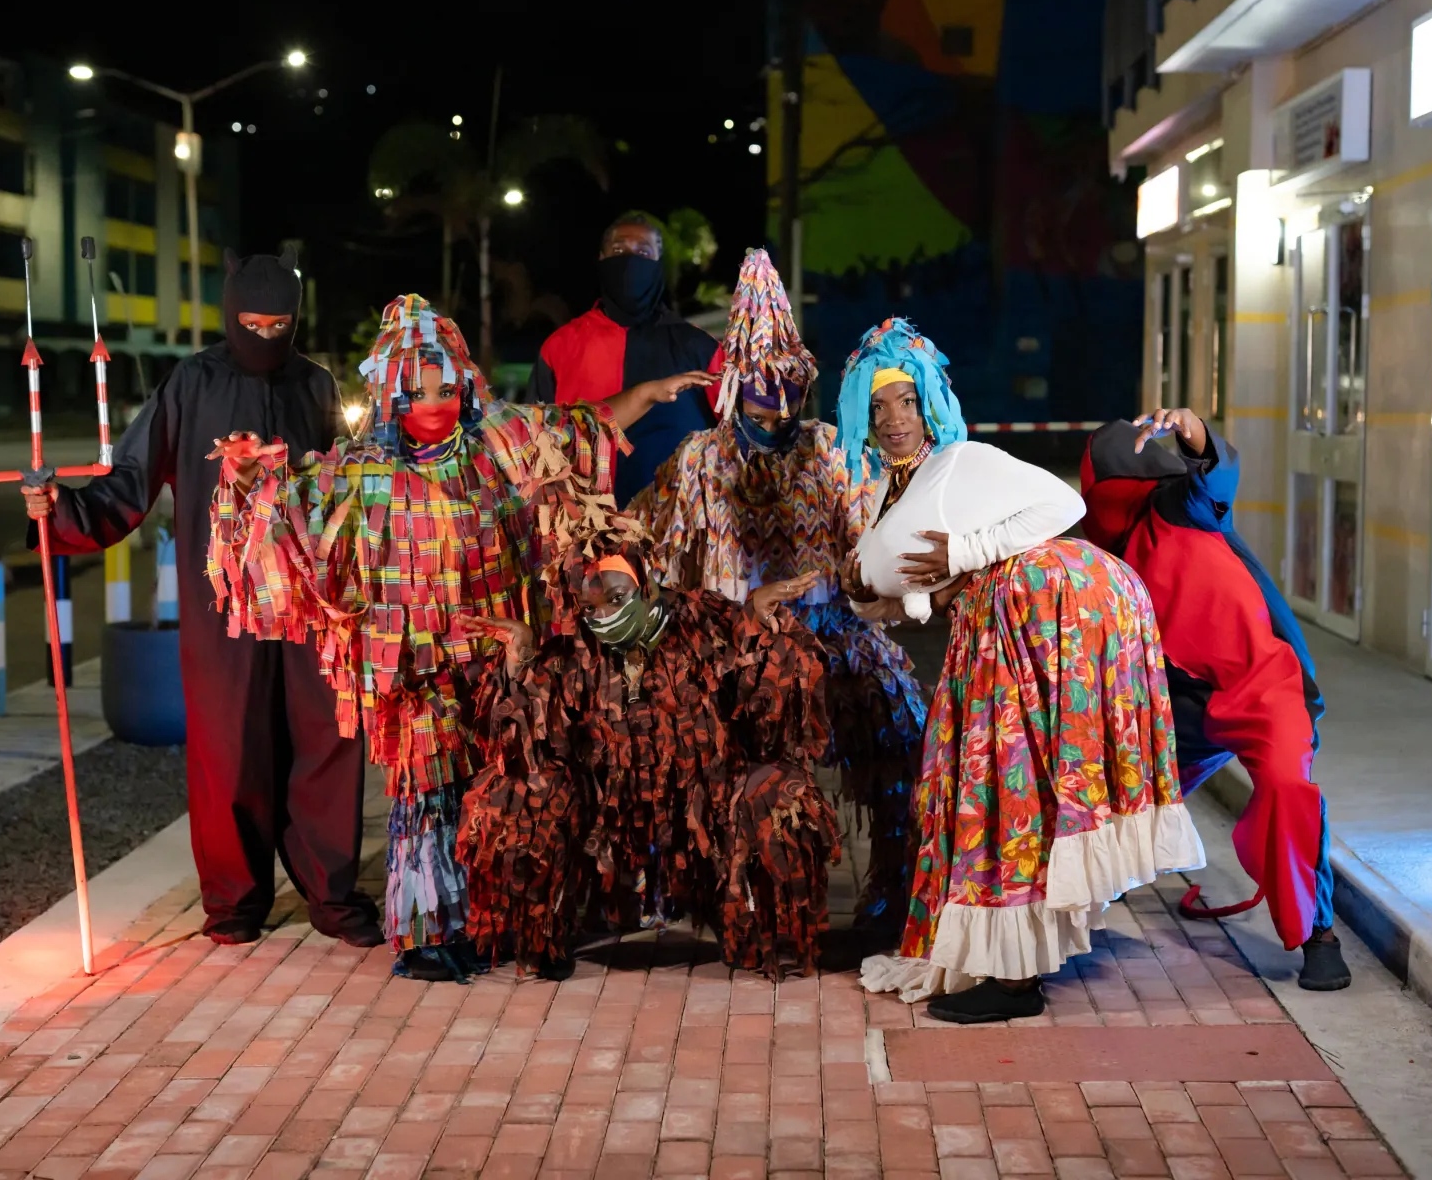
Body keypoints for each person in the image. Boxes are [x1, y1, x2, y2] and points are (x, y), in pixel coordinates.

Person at [206, 293, 707, 982]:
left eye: (446, 388)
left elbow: (575, 429)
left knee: (496, 791)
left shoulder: (498, 446)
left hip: (500, 659)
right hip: (416, 671)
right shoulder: (361, 470)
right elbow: (289, 509)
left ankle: (497, 919)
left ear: (467, 384)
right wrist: (246, 478)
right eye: (417, 392)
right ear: (389, 396)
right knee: (425, 799)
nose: (435, 404)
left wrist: (647, 394)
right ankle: (426, 930)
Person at [845, 318, 1206, 1024]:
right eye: (880, 405)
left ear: (933, 406)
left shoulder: (962, 461)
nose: (894, 420)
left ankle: (1013, 982)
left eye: (908, 402)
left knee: (1012, 782)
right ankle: (1007, 961)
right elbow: (915, 589)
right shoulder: (894, 490)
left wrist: (962, 555)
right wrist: (924, 590)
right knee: (999, 783)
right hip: (1006, 622)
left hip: (1052, 608)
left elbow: (1062, 505)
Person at [22, 247, 383, 949]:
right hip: (225, 604)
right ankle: (234, 899)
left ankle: (333, 893)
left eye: (281, 325)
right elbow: (129, 480)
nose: (266, 337)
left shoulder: (314, 385)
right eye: (253, 323)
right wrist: (62, 509)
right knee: (230, 744)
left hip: (312, 604)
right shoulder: (190, 384)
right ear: (230, 316)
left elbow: (347, 487)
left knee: (329, 737)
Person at [630, 248, 926, 933]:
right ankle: (719, 887)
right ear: (733, 389)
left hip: (830, 635)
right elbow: (659, 556)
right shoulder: (697, 461)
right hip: (729, 645)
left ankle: (894, 886)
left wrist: (836, 582)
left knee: (901, 730)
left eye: (791, 388)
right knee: (686, 743)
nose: (779, 408)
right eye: (762, 394)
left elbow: (867, 546)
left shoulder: (831, 449)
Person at [456, 509, 840, 981]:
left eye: (617, 598)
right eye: (591, 608)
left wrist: (758, 620)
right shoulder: (575, 653)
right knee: (512, 796)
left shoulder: (701, 622)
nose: (605, 616)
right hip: (608, 818)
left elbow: (768, 715)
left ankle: (748, 924)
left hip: (709, 808)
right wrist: (521, 657)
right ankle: (547, 933)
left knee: (785, 800)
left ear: (645, 585)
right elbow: (533, 745)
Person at [1079, 408, 1350, 991]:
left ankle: (1318, 932)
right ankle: (1073, 903)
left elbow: (1214, 477)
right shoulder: (1103, 563)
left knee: (1286, 788)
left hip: (1261, 686)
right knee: (1107, 792)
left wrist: (1195, 432)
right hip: (1178, 706)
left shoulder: (1181, 508)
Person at [526, 214, 717, 505]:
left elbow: (741, 433)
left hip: (677, 524)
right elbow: (533, 439)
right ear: (602, 258)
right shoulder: (560, 346)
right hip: (587, 526)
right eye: (618, 251)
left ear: (658, 263)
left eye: (643, 251)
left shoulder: (700, 346)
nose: (630, 260)